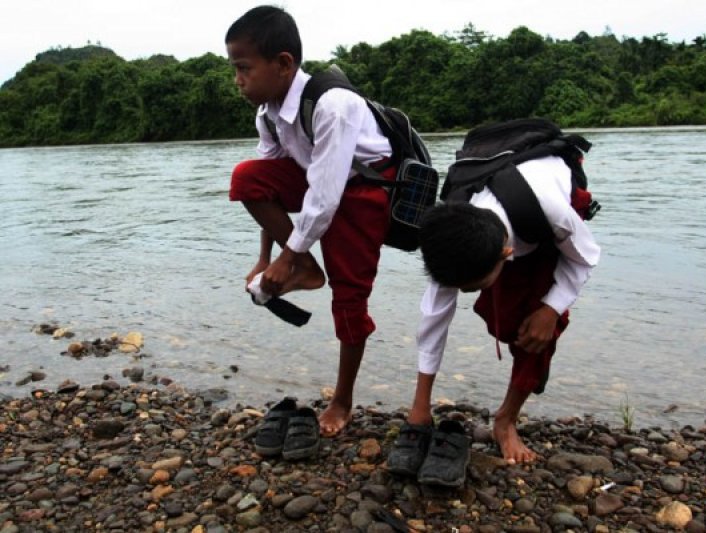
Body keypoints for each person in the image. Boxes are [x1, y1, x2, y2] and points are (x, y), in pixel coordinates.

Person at [225, 6, 396, 437]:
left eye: (244, 68)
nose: (238, 80)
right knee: (246, 176)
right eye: (235, 69)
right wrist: (267, 258)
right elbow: (270, 189)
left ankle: (342, 400)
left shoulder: (332, 105)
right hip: (320, 184)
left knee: (349, 297)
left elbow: (326, 193)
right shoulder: (268, 113)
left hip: (364, 187)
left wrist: (291, 252)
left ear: (284, 64)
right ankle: (301, 266)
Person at [388, 154, 600, 479]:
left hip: (540, 218)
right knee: (501, 314)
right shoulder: (451, 237)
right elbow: (433, 320)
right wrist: (420, 406)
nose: (464, 291)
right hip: (501, 213)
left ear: (506, 254)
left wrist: (551, 308)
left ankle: (506, 420)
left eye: (472, 287)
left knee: (536, 329)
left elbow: (586, 257)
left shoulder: (551, 211)